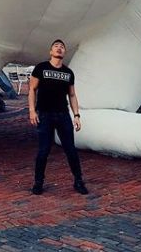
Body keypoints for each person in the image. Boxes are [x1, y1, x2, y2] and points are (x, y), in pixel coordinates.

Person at [29, 39, 88, 195]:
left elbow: (72, 95)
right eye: (56, 46)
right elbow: (32, 90)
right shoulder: (41, 68)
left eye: (62, 47)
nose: (59, 48)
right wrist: (32, 111)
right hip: (45, 115)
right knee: (43, 150)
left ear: (64, 52)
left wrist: (76, 115)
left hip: (63, 115)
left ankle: (78, 181)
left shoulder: (68, 73)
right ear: (51, 51)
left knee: (71, 150)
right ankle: (38, 182)